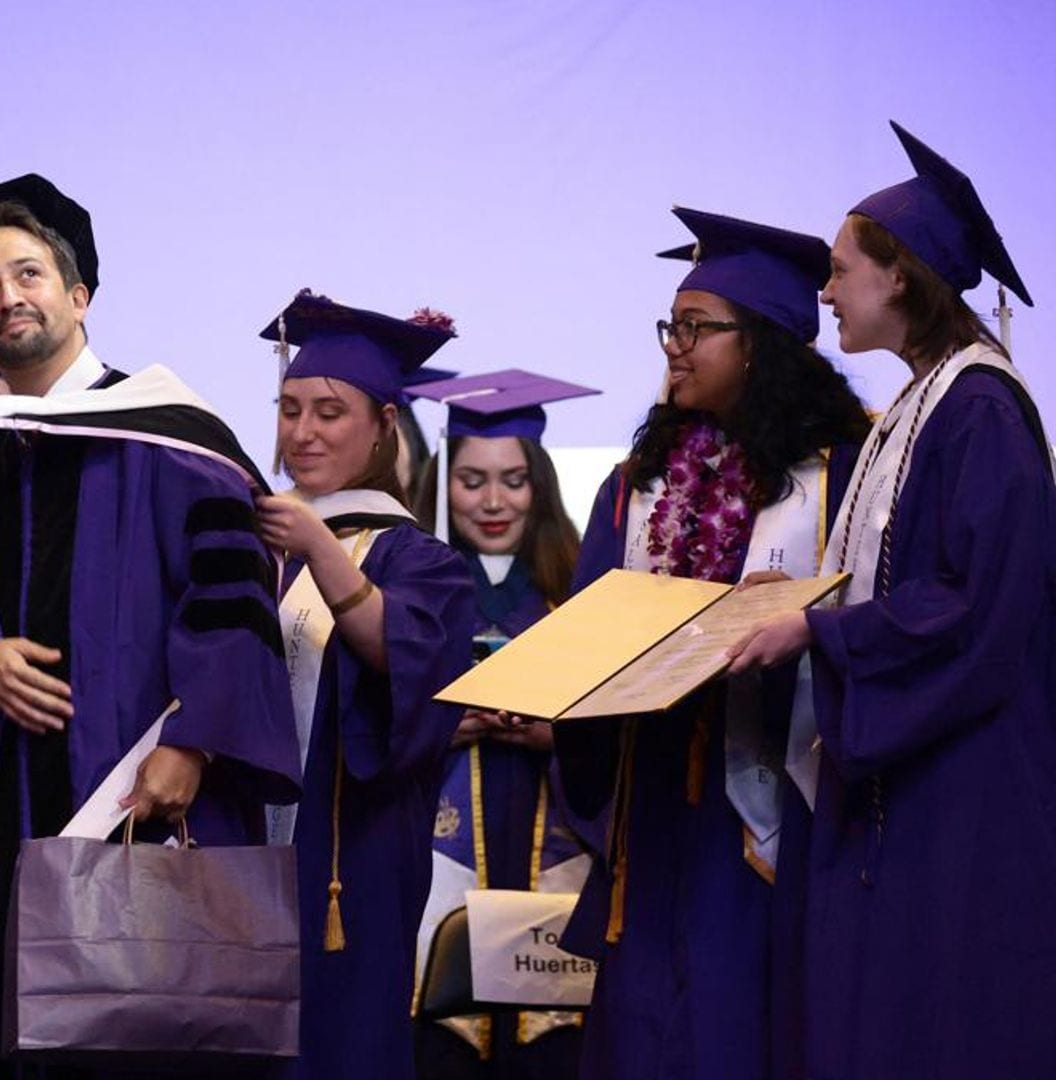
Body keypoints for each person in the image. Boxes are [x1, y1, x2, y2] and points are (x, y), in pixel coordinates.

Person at [0, 174, 300, 1079]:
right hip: (16, 806)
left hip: (145, 791)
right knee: (9, 1032)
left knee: (151, 1035)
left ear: (78, 295)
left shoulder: (172, 433)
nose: (8, 296)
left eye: (29, 274)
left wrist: (197, 745)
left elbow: (233, 588)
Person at [728, 122, 1055, 1080]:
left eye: (839, 270)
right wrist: (800, 599)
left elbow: (975, 606)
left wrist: (818, 631)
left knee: (939, 1018)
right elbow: (904, 576)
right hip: (914, 768)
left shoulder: (982, 411)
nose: (824, 291)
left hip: (964, 782)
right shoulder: (916, 406)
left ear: (900, 276)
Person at [551, 208, 870, 1080]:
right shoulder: (636, 486)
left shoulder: (843, 474)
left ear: (760, 343)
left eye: (697, 327)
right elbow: (589, 616)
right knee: (645, 1021)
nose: (674, 347)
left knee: (747, 1020)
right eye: (671, 326)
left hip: (773, 805)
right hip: (653, 798)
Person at [252, 291, 477, 1078]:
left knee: (345, 1044)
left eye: (329, 412)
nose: (302, 432)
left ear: (384, 424)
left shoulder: (419, 559)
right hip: (246, 853)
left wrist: (318, 543)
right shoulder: (256, 543)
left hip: (354, 855)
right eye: (288, 410)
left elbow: (402, 654)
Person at [406, 368, 597, 1078]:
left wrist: (558, 731)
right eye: (472, 479)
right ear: (442, 485)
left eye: (513, 480)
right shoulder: (413, 588)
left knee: (548, 1040)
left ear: (539, 487)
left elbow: (620, 735)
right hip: (440, 849)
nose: (492, 501)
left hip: (553, 839)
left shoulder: (579, 592)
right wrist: (442, 728)